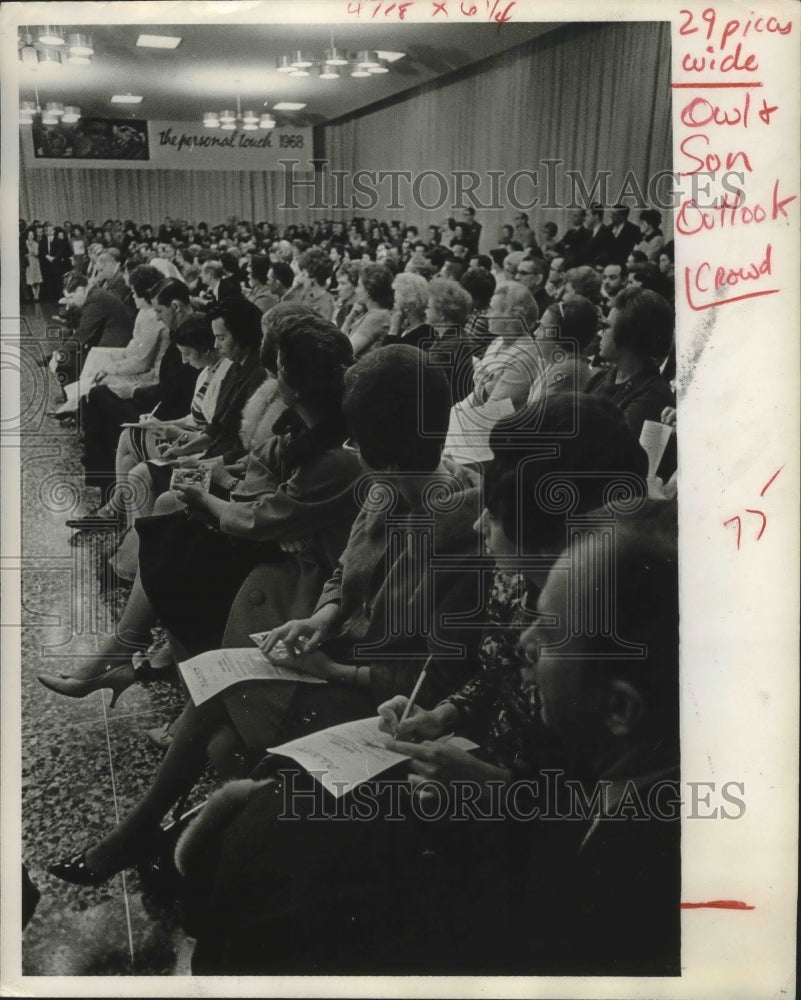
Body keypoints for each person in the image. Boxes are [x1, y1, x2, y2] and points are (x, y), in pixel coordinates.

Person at [175, 396, 657, 975]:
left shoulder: (607, 633)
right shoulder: (527, 581)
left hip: (509, 828)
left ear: (548, 536)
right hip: (475, 778)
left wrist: (498, 790)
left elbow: (594, 831)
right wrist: (447, 714)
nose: (481, 523)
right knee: (272, 824)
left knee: (288, 874)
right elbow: (493, 672)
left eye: (497, 516)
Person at [55, 264, 168, 416]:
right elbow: (133, 350)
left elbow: (142, 362)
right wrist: (111, 363)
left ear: (145, 293)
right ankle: (77, 402)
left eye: (134, 292)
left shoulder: (151, 318)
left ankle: (80, 406)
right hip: (137, 358)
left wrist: (110, 367)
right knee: (96, 358)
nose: (132, 295)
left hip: (152, 375)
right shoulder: (144, 312)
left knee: (100, 377)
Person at [586, 286, 675, 438]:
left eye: (606, 327)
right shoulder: (600, 379)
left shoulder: (652, 396)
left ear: (628, 336)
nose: (600, 333)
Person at [50, 272, 134, 384]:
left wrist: (59, 354)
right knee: (70, 355)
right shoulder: (95, 294)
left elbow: (82, 335)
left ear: (80, 290)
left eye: (71, 297)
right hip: (111, 342)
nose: (72, 301)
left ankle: (76, 397)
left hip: (114, 348)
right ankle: (75, 395)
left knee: (66, 362)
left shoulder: (95, 300)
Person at [471, 282, 541, 409]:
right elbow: (475, 396)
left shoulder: (525, 355)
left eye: (492, 310)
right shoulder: (497, 342)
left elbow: (494, 410)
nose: (487, 316)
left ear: (511, 316)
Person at [342, 263, 394, 356]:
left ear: (369, 290)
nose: (356, 290)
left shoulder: (377, 317)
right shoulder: (370, 313)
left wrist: (350, 318)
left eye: (358, 286)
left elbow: (346, 352)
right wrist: (351, 316)